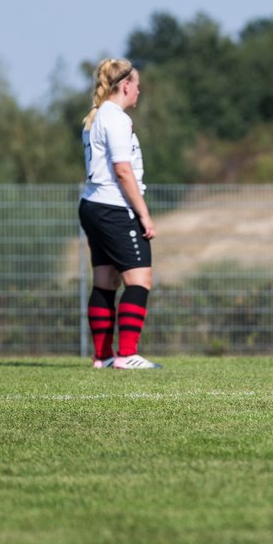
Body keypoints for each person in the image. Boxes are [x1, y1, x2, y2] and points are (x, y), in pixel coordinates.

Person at [78, 57, 161, 369]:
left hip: (92, 205)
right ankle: (126, 355)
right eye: (137, 85)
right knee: (140, 280)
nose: (139, 91)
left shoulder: (95, 117)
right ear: (125, 85)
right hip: (114, 207)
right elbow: (123, 171)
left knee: (105, 279)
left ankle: (103, 356)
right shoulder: (115, 118)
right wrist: (145, 215)